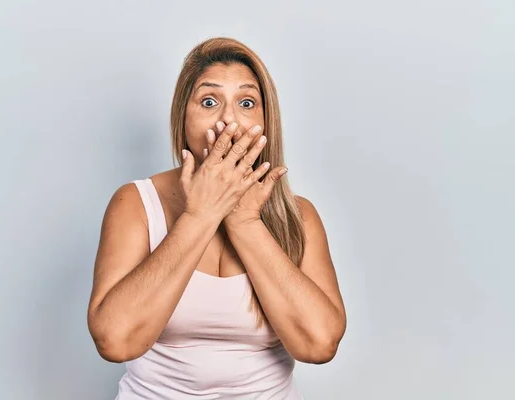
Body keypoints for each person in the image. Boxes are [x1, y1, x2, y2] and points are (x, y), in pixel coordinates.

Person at [87, 37, 347, 399]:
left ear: (265, 119)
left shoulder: (298, 216)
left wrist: (245, 221)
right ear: (183, 117)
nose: (228, 119)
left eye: (246, 102)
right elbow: (115, 341)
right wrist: (200, 215)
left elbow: (319, 345)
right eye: (209, 102)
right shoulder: (135, 203)